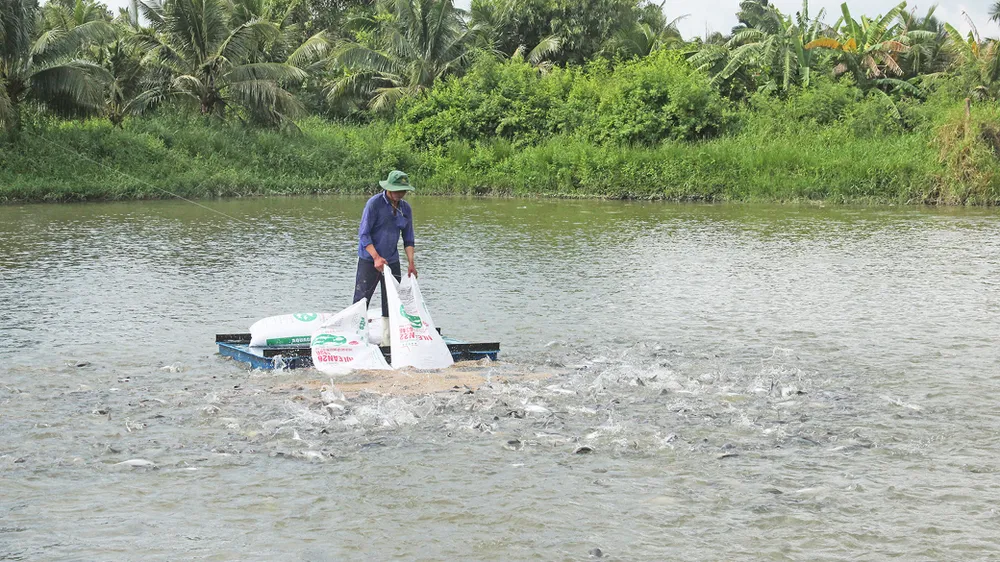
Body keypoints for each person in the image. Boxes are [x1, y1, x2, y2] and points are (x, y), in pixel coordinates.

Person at [353, 170, 417, 341]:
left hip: (392, 260)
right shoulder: (374, 204)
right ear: (388, 188)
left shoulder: (405, 208)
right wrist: (376, 257)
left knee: (392, 301)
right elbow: (364, 234)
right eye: (397, 190)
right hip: (369, 259)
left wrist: (411, 263)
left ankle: (388, 339)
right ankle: (355, 336)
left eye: (403, 191)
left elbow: (408, 239)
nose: (400, 194)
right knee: (361, 299)